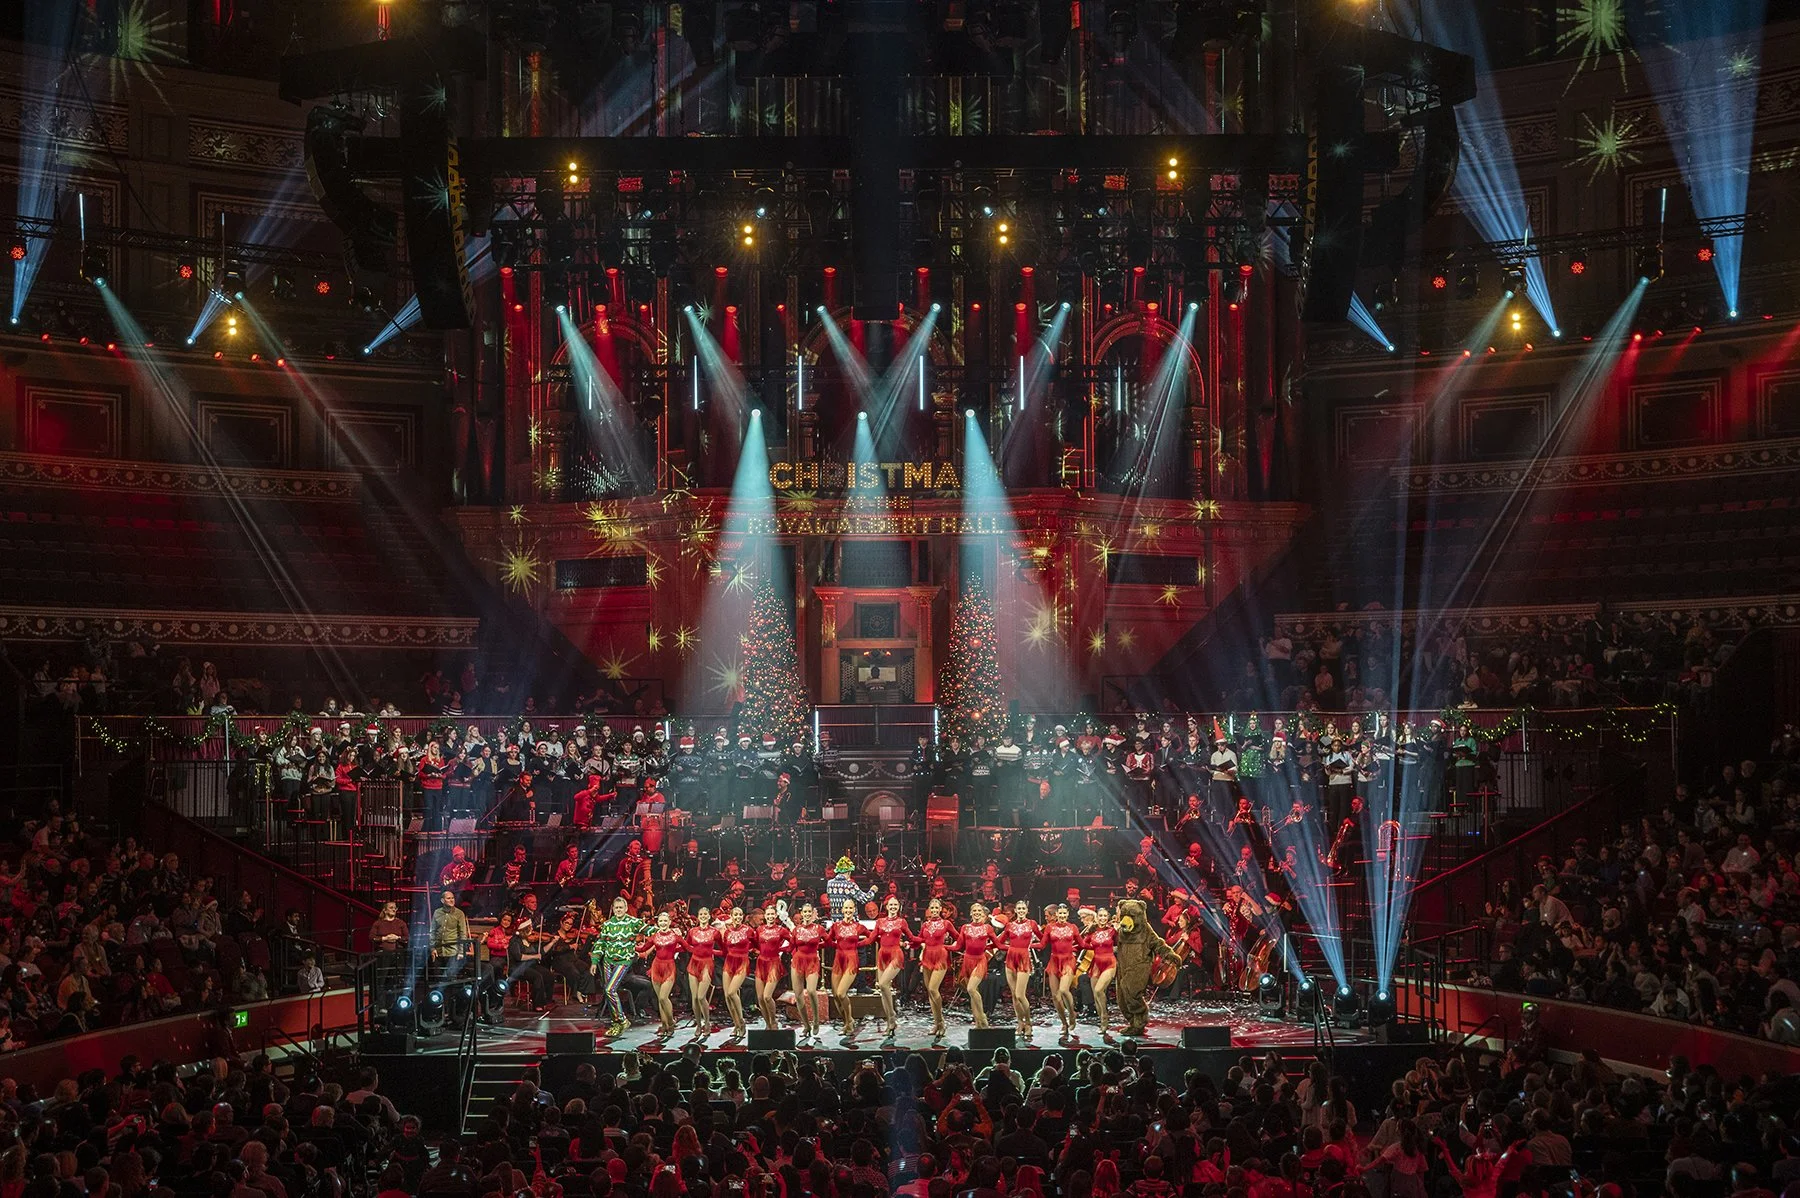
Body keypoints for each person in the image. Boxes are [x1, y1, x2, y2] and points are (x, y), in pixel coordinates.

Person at [590, 896, 650, 1037]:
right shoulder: (608, 924)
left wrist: (665, 930)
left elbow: (650, 931)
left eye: (620, 907)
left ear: (626, 908)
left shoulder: (633, 922)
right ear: (613, 908)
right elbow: (600, 944)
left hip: (624, 960)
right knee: (609, 992)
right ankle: (616, 1023)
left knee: (610, 989)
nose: (618, 910)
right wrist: (594, 961)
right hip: (608, 961)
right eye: (616, 908)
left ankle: (622, 1020)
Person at [827, 897, 875, 1043]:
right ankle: (847, 1021)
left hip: (852, 960)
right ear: (842, 910)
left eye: (850, 908)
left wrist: (860, 944)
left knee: (842, 993)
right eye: (846, 908)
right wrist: (837, 946)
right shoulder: (836, 926)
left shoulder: (859, 926)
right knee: (836, 995)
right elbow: (829, 940)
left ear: (854, 910)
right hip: (838, 960)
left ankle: (849, 1022)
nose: (848, 911)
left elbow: (871, 937)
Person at [915, 897, 958, 1041]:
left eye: (936, 908)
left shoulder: (946, 923)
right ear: (929, 910)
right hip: (927, 957)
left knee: (933, 989)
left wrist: (951, 948)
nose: (934, 910)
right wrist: (908, 942)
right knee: (930, 992)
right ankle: (936, 1023)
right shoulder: (925, 925)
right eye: (931, 908)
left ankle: (941, 1021)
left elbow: (958, 938)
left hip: (940, 956)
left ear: (940, 910)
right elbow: (920, 939)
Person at [873, 896, 913, 1043]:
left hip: (896, 954)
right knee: (884, 990)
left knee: (883, 984)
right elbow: (872, 938)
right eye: (891, 904)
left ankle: (892, 1017)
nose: (893, 906)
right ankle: (890, 1022)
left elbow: (911, 937)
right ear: (886, 906)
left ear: (899, 907)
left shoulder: (902, 921)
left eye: (896, 904)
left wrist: (913, 943)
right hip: (882, 955)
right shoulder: (880, 922)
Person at [1000, 899, 1041, 1038]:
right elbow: (999, 942)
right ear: (1016, 911)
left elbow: (1043, 940)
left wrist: (1030, 947)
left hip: (1024, 959)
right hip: (1011, 959)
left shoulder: (1032, 924)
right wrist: (1009, 948)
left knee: (1020, 994)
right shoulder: (1010, 925)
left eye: (1024, 909)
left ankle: (1028, 1022)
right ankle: (1020, 1022)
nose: (1021, 911)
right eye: (1019, 909)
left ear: (1026, 911)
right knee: (1013, 995)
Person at [1040, 902, 1080, 1042]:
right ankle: (1064, 1022)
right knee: (1056, 996)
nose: (1062, 916)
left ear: (1067, 914)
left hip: (1068, 961)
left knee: (1064, 990)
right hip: (1054, 962)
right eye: (1060, 914)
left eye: (1064, 913)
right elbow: (1042, 944)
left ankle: (1072, 1014)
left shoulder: (1073, 927)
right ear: (1056, 915)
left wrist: (1094, 944)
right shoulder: (1050, 927)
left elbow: (1081, 944)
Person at [787, 902, 826, 1044]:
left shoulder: (819, 929)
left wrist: (816, 948)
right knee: (798, 995)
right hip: (797, 961)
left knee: (810, 991)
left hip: (812, 961)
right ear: (801, 914)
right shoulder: (796, 930)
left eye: (810, 912)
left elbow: (827, 942)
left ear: (813, 913)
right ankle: (806, 1024)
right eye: (805, 912)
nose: (807, 914)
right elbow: (791, 946)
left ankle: (816, 1020)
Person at [718, 904, 756, 1043]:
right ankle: (736, 1024)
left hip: (742, 962)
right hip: (729, 962)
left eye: (740, 915)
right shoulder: (727, 932)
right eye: (736, 915)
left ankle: (741, 1022)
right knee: (727, 996)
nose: (738, 917)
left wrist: (751, 951)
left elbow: (756, 944)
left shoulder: (749, 930)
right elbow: (724, 950)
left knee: (732, 992)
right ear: (731, 917)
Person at [1082, 905, 1120, 1041]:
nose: (1103, 918)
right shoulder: (1092, 931)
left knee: (1099, 990)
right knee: (1096, 995)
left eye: (1105, 916)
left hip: (1110, 963)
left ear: (1108, 918)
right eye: (1100, 916)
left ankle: (1105, 1018)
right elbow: (1083, 943)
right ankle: (1101, 1018)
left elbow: (1121, 944)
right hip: (1096, 964)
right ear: (1097, 918)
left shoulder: (1112, 931)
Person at [684, 905, 722, 1040]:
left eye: (706, 914)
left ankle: (707, 1023)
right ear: (698, 917)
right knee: (694, 997)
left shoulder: (714, 932)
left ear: (709, 917)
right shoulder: (692, 931)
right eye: (701, 915)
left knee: (701, 997)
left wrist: (712, 952)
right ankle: (698, 1025)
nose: (703, 917)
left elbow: (723, 949)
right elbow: (687, 946)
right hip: (694, 964)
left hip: (707, 964)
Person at [960, 901, 999, 1031]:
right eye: (974, 911)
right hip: (967, 960)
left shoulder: (987, 928)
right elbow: (958, 945)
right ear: (971, 913)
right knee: (973, 992)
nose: (977, 913)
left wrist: (1011, 946)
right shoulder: (965, 927)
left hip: (980, 960)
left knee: (971, 988)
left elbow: (997, 944)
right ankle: (977, 1023)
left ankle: (982, 1016)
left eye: (979, 911)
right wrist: (945, 946)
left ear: (983, 914)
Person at [753, 902, 790, 1032]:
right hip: (761, 963)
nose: (770, 916)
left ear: (776, 915)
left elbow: (793, 942)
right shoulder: (759, 929)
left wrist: (782, 949)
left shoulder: (781, 930)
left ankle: (773, 1020)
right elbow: (756, 943)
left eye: (772, 914)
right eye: (767, 914)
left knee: (767, 996)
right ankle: (767, 1022)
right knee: (760, 998)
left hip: (774, 963)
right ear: (765, 916)